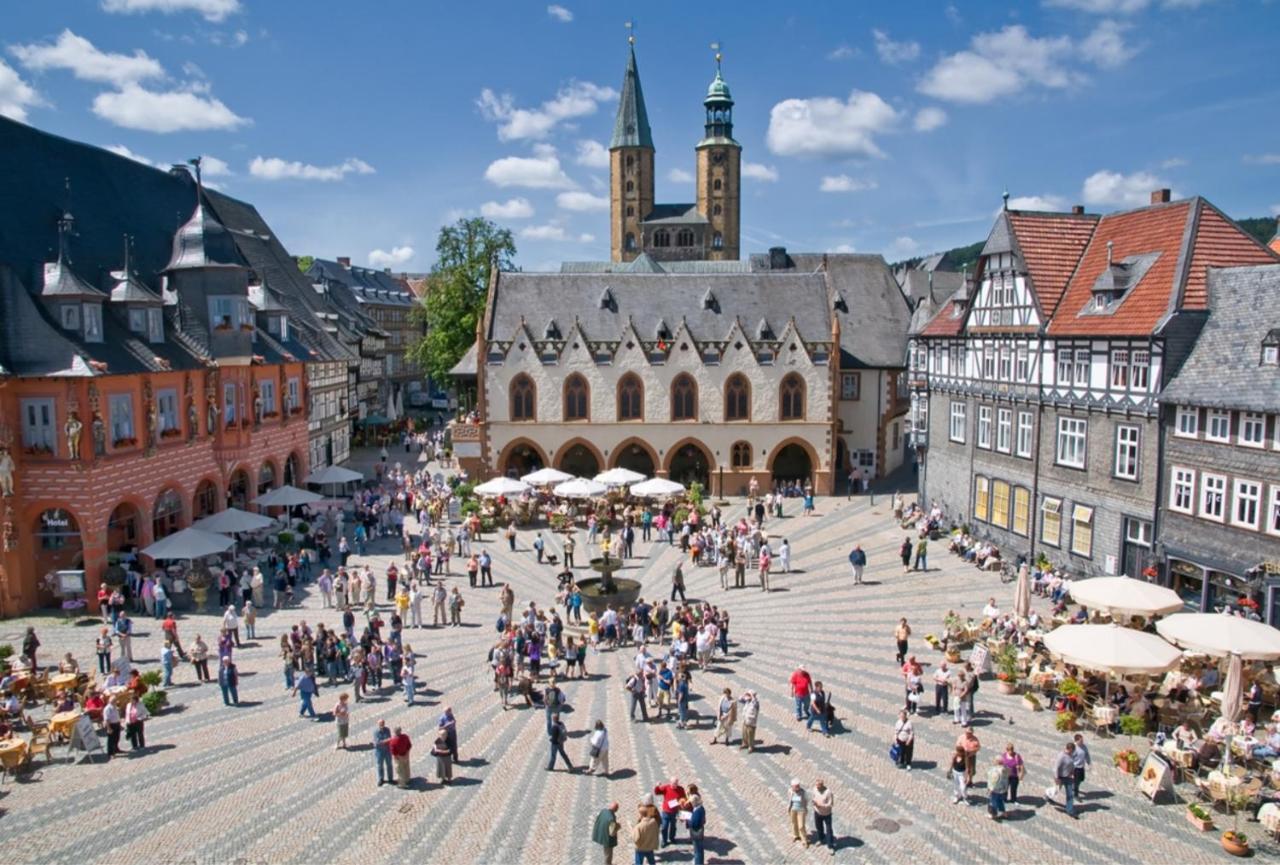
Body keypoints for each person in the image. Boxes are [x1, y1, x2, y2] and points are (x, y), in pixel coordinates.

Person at [632, 797, 660, 865]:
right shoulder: (653, 822)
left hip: (640, 848)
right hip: (650, 847)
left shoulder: (639, 826)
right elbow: (657, 831)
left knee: (639, 863)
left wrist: (632, 830)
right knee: (652, 862)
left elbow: (636, 839)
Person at [1055, 741, 1079, 818]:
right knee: (1055, 791)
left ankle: (1069, 810)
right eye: (1072, 751)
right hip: (1061, 777)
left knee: (1070, 794)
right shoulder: (1061, 756)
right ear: (1069, 749)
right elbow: (1056, 768)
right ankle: (1047, 795)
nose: (1072, 753)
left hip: (1068, 777)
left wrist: (1072, 772)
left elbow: (1072, 764)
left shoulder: (1071, 754)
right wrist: (1057, 778)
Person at [812, 779, 835, 851]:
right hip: (817, 812)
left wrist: (821, 805)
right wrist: (814, 804)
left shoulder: (828, 792)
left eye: (819, 786)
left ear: (822, 785)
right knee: (818, 827)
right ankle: (821, 839)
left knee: (829, 830)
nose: (817, 788)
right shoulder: (815, 789)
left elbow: (830, 804)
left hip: (826, 814)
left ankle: (830, 846)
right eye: (816, 786)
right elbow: (814, 797)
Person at [787, 778, 810, 847]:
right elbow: (790, 799)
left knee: (801, 826)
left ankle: (804, 840)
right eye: (796, 786)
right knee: (794, 823)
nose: (798, 787)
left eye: (798, 785)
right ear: (792, 786)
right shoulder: (790, 791)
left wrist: (805, 808)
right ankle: (796, 835)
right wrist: (789, 807)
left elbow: (807, 800)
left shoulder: (803, 792)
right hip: (793, 809)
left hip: (801, 810)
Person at [687, 793, 707, 865]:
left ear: (694, 802)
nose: (691, 804)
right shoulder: (701, 808)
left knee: (697, 850)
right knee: (700, 850)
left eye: (691, 802)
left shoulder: (697, 811)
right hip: (700, 831)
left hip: (696, 833)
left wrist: (689, 820)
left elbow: (694, 824)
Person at [374, 719, 393, 786]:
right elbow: (377, 742)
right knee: (380, 765)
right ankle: (381, 779)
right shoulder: (376, 732)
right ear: (378, 725)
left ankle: (390, 779)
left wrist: (384, 741)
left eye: (383, 724)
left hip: (387, 751)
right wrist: (386, 741)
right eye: (380, 724)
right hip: (379, 752)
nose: (382, 725)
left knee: (389, 765)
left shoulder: (387, 730)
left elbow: (390, 739)